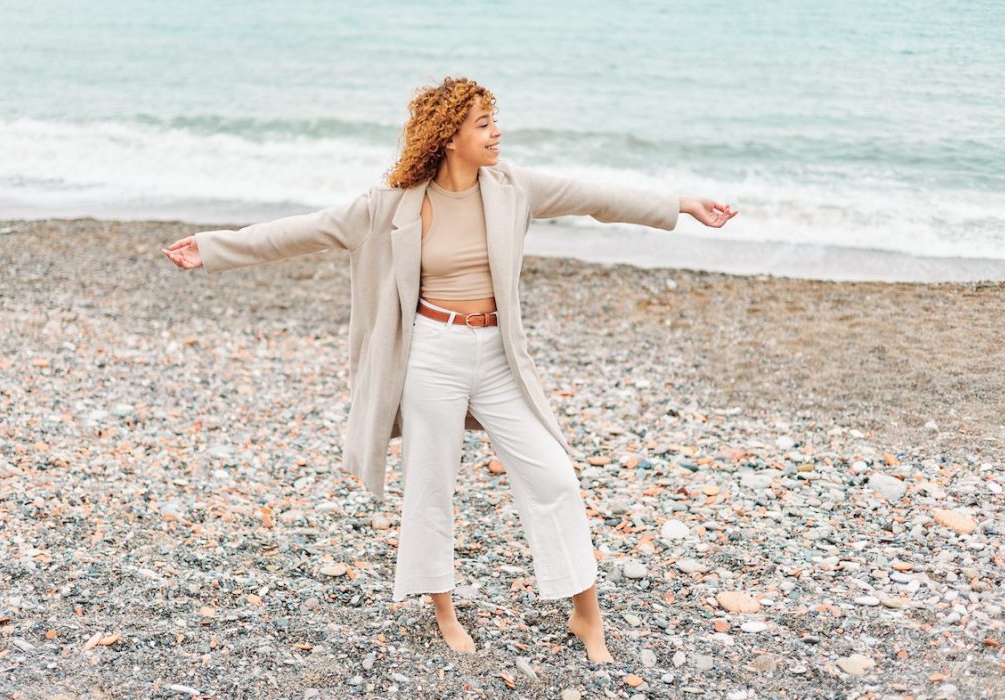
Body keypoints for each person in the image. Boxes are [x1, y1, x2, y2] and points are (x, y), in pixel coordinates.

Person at [163, 76, 738, 663]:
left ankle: (585, 616)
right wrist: (212, 248)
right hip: (431, 354)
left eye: (495, 121)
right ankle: (443, 608)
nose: (498, 132)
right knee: (431, 484)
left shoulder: (514, 186)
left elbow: (596, 197)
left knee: (554, 477)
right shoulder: (391, 205)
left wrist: (682, 205)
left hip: (497, 355)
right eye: (484, 124)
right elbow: (306, 231)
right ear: (450, 137)